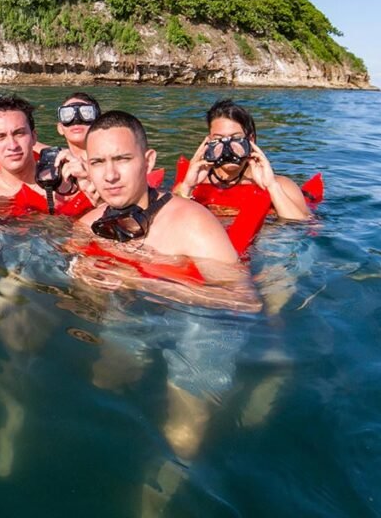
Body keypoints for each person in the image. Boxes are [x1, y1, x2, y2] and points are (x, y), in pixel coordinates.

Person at [71, 111, 259, 513]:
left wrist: (139, 281)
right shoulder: (87, 225)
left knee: (182, 434)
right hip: (137, 312)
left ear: (149, 161)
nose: (111, 175)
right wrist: (84, 281)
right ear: (87, 168)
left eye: (122, 159)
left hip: (205, 323)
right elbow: (75, 291)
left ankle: (151, 503)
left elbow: (244, 302)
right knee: (105, 380)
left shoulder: (192, 224)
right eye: (99, 163)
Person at [173, 99, 312, 220]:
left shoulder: (281, 185)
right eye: (218, 139)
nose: (227, 147)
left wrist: (271, 186)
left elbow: (301, 228)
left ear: (250, 140)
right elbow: (167, 223)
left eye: (236, 138)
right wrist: (188, 186)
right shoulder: (191, 184)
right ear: (208, 142)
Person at [0, 95, 89, 217]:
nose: (12, 145)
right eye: (0, 137)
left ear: (33, 137)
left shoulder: (70, 181)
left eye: (19, 133)